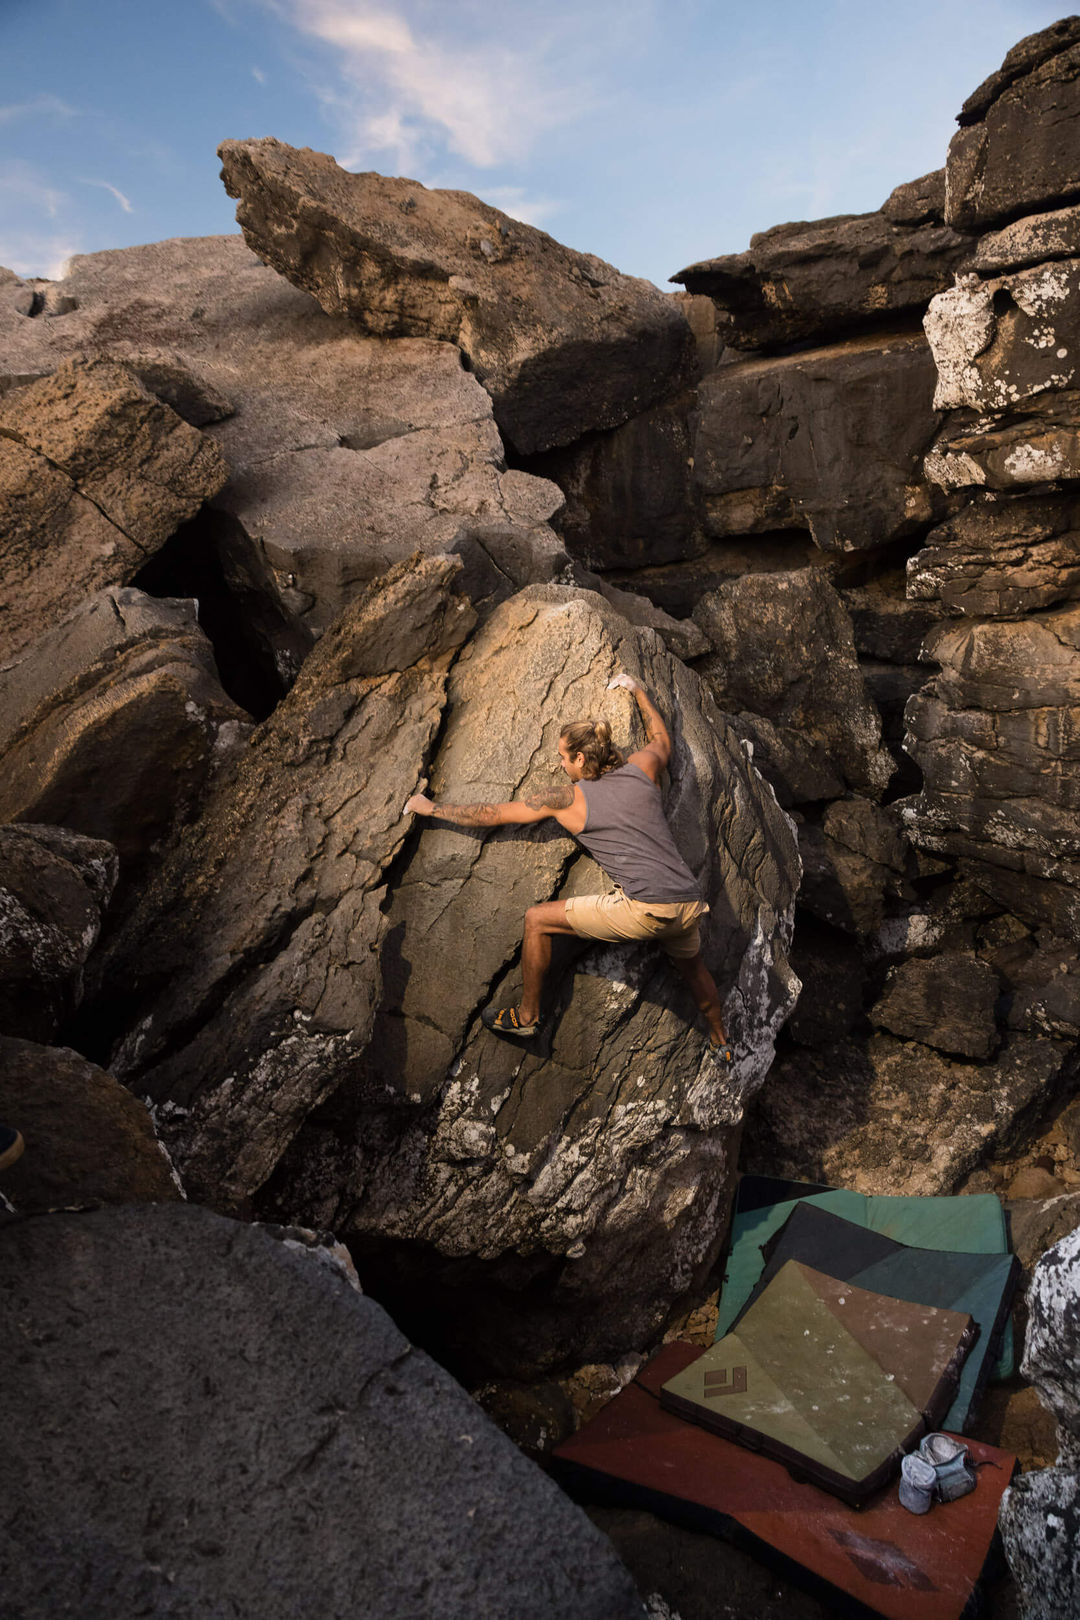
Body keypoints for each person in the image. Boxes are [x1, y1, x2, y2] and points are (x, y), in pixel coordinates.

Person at [404, 673, 733, 1063]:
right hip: (688, 903)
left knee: (536, 920)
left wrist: (431, 808)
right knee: (694, 970)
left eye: (563, 756)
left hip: (647, 910)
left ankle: (526, 1017)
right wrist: (639, 690)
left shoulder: (567, 798)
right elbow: (663, 741)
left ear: (580, 758)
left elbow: (492, 814)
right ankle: (720, 1039)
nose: (558, 762)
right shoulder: (642, 768)